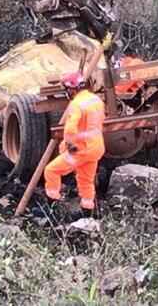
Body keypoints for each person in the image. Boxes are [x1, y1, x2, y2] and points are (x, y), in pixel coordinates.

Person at [44, 72, 106, 214]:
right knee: (86, 180)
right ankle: (87, 213)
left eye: (66, 89)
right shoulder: (96, 100)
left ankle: (52, 209)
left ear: (72, 89)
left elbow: (71, 128)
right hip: (96, 148)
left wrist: (69, 145)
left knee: (51, 171)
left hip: (81, 149)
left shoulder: (76, 104)